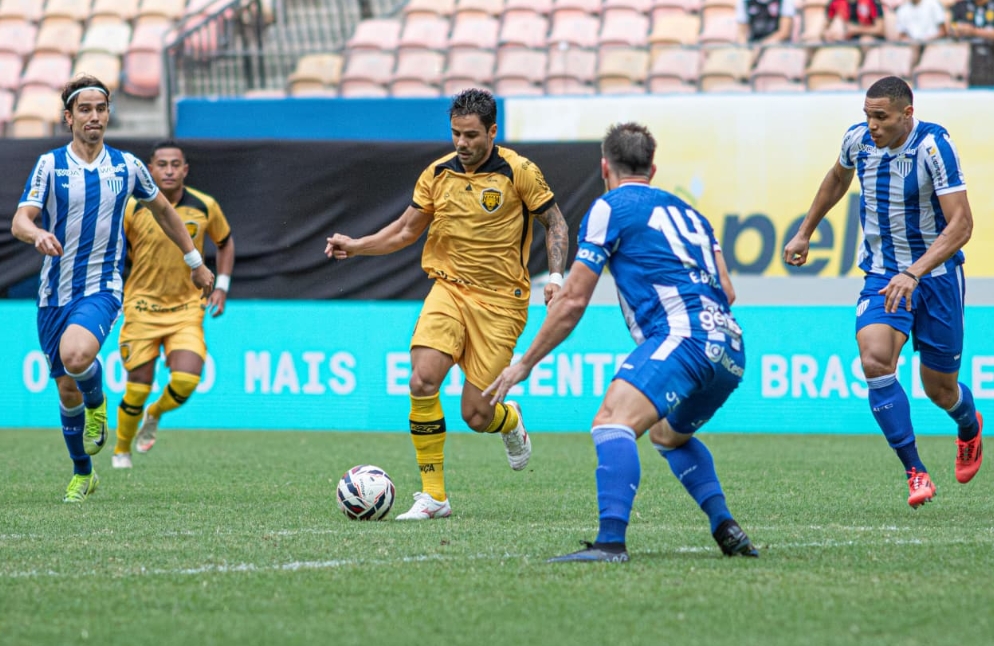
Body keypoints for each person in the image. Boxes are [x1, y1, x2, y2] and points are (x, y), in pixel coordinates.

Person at [485, 122, 757, 563]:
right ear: (653, 167)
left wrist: (525, 363)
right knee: (668, 436)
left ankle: (611, 542)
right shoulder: (691, 213)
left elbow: (573, 301)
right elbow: (727, 291)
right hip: (729, 344)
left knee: (611, 422)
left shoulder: (609, 207)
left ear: (604, 166)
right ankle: (725, 525)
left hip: (683, 337)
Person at [325, 88, 570, 521]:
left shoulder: (519, 172)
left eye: (472, 135)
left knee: (476, 414)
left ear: (492, 132)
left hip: (501, 302)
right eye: (456, 133)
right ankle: (434, 496)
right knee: (422, 380)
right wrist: (357, 245)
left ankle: (509, 422)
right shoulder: (437, 174)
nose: (462, 143)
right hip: (449, 289)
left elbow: (555, 223)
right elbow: (404, 232)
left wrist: (555, 277)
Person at [9, 75, 214, 502]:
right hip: (54, 295)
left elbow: (166, 213)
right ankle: (83, 473)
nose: (94, 117)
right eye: (84, 110)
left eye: (101, 109)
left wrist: (195, 262)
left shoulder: (128, 166)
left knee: (77, 354)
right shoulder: (50, 165)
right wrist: (37, 235)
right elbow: (21, 220)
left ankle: (98, 405)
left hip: (103, 288)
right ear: (68, 117)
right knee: (66, 388)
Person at [783, 76, 983, 509]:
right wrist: (805, 232)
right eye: (867, 116)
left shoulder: (934, 146)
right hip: (881, 274)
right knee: (874, 359)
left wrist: (913, 272)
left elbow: (962, 225)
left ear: (906, 114)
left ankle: (968, 425)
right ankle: (915, 471)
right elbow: (836, 179)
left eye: (881, 117)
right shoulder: (858, 141)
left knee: (940, 390)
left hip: (936, 277)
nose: (871, 125)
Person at [112, 140, 235, 468]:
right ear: (150, 169)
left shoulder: (205, 205)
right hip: (141, 307)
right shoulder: (132, 206)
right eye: (161, 164)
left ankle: (155, 413)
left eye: (175, 164)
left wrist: (221, 285)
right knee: (137, 388)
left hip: (185, 308)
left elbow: (224, 243)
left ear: (185, 170)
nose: (168, 170)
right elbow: (113, 255)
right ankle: (121, 449)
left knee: (186, 380)